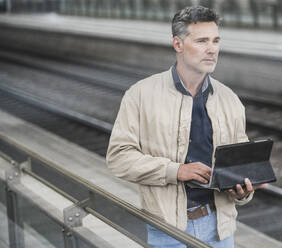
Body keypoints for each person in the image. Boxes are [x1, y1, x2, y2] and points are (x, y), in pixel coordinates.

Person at [106, 6, 266, 248]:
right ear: (178, 45)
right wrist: (176, 170)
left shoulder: (229, 99)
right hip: (167, 231)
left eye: (215, 41)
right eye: (202, 41)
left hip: (220, 230)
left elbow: (237, 164)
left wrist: (242, 191)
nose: (212, 49)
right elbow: (118, 158)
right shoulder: (141, 94)